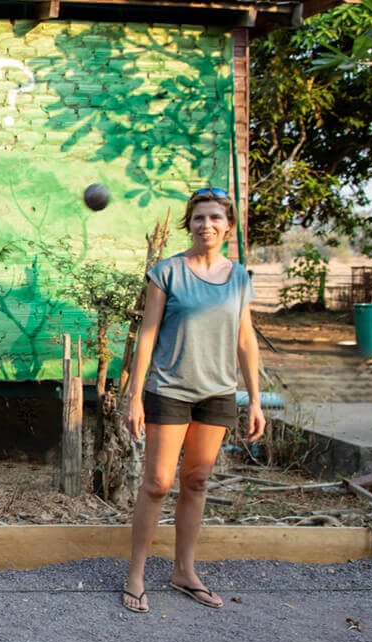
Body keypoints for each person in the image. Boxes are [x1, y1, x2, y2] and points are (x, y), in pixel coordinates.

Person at [121, 187, 266, 614]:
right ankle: (136, 575)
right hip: (168, 390)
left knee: (197, 482)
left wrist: (255, 399)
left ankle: (184, 571)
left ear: (228, 226)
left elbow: (245, 339)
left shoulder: (239, 277)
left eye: (216, 218)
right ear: (191, 223)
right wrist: (134, 395)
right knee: (157, 484)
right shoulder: (167, 272)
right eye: (200, 218)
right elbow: (147, 334)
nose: (207, 225)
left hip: (217, 393)